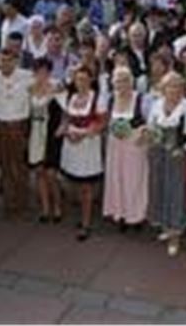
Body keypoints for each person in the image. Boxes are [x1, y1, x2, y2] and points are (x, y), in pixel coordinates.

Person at [146, 71, 186, 256]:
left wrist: (183, 151)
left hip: (177, 155)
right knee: (160, 188)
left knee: (176, 192)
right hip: (158, 153)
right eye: (169, 85)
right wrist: (148, 140)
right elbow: (151, 128)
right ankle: (165, 226)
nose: (173, 89)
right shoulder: (156, 105)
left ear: (182, 89)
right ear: (163, 88)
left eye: (177, 85)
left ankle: (175, 233)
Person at [58, 65, 106, 241]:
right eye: (78, 79)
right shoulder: (71, 97)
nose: (81, 83)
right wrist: (65, 131)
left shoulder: (97, 99)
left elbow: (101, 123)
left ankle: (86, 223)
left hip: (88, 146)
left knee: (86, 186)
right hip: (71, 144)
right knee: (74, 182)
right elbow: (65, 118)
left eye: (85, 79)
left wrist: (83, 134)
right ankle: (82, 216)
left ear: (91, 80)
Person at [102, 66, 150, 230]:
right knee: (117, 179)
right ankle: (121, 214)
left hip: (134, 145)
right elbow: (107, 122)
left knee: (135, 180)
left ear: (131, 82)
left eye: (125, 80)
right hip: (115, 145)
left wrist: (143, 134)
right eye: (117, 81)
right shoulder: (110, 99)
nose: (121, 84)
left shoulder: (141, 99)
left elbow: (150, 123)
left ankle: (137, 216)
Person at [0, 49, 32, 217]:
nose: (5, 63)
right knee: (5, 166)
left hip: (20, 125)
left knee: (20, 166)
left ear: (15, 61)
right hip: (1, 125)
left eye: (9, 60)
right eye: (2, 60)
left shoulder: (27, 76)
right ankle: (9, 205)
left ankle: (23, 204)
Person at [29, 57, 64, 223]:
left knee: (51, 174)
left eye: (45, 71)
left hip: (51, 133)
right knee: (39, 172)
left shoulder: (57, 88)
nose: (41, 75)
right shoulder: (29, 89)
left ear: (49, 72)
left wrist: (63, 126)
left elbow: (67, 111)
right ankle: (45, 208)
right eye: (38, 72)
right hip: (34, 134)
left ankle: (57, 206)